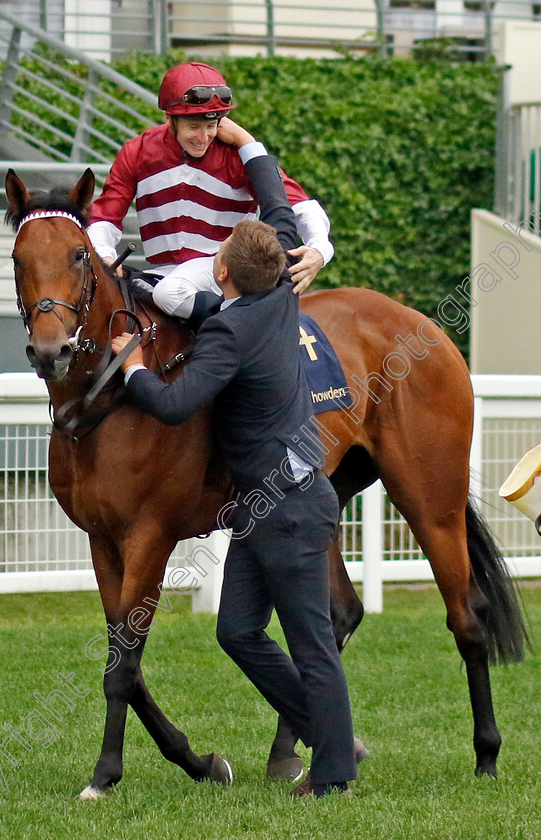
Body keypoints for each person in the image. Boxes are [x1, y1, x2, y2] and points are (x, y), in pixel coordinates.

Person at [111, 125, 358, 798]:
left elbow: (171, 404)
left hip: (290, 506)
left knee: (310, 643)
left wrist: (133, 364)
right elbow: (277, 204)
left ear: (221, 274)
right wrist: (245, 143)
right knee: (238, 631)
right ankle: (332, 735)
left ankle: (333, 773)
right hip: (266, 502)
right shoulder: (281, 291)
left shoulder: (228, 327)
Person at [88, 61, 334, 325]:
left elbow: (297, 203)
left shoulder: (237, 155)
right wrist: (105, 256)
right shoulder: (137, 152)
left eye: (212, 125)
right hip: (164, 276)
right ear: (170, 120)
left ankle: (245, 325)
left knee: (168, 292)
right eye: (194, 127)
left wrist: (319, 248)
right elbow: (105, 216)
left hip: (226, 272)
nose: (204, 137)